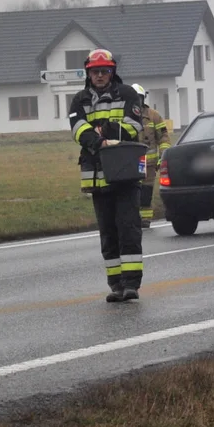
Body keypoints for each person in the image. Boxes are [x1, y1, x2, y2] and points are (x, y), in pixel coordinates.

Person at [68, 49, 146, 302]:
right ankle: (115, 285)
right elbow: (78, 129)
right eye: (95, 72)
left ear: (112, 72)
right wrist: (100, 140)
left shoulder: (127, 94)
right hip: (96, 177)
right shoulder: (79, 100)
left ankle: (132, 283)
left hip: (124, 175)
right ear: (88, 73)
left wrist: (104, 131)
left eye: (104, 71)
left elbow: (133, 126)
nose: (100, 76)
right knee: (108, 233)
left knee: (129, 229)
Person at [130, 84, 171, 229]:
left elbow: (164, 138)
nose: (136, 101)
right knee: (131, 192)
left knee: (146, 192)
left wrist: (163, 157)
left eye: (139, 98)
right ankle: (132, 218)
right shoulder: (124, 116)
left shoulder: (153, 116)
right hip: (130, 164)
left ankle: (145, 220)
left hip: (149, 164)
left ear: (143, 98)